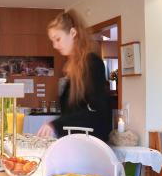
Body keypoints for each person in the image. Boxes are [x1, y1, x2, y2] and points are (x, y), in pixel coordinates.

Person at [37, 10, 112, 142]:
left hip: (89, 146)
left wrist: (55, 125)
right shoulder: (73, 69)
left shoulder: (92, 63)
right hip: (75, 142)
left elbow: (98, 113)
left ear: (73, 33)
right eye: (52, 41)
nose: (55, 45)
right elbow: (72, 111)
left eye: (58, 39)